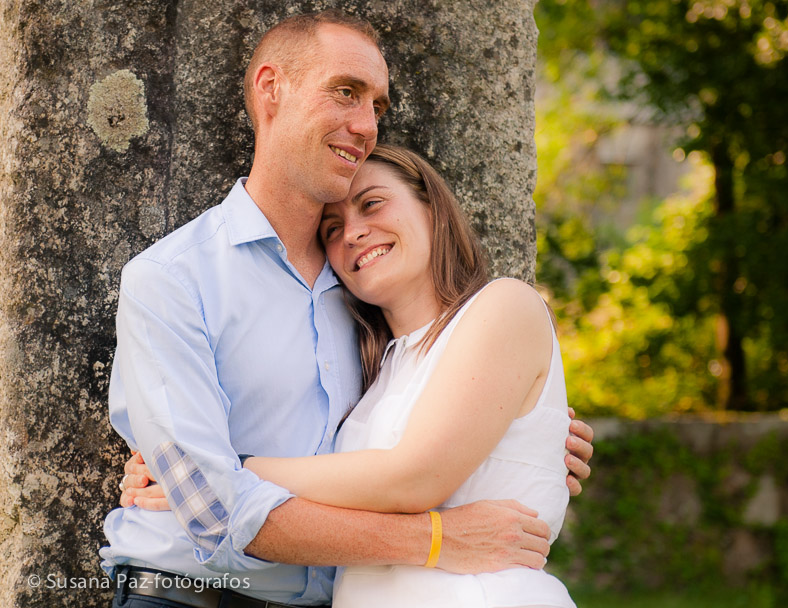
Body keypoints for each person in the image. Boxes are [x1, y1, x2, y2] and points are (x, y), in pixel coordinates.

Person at [103, 9, 593, 608]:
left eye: (377, 106)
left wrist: (532, 432)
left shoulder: (366, 303)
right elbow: (212, 511)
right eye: (345, 92)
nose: (366, 126)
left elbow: (427, 436)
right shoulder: (172, 279)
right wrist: (436, 539)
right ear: (271, 88)